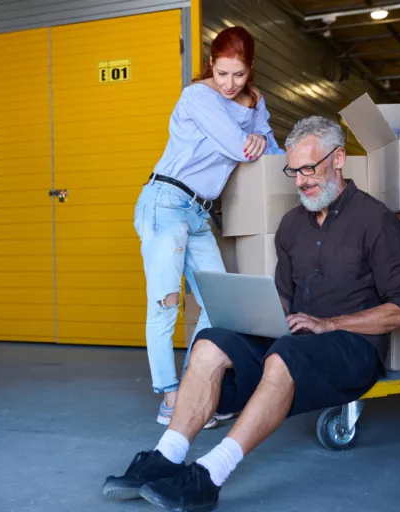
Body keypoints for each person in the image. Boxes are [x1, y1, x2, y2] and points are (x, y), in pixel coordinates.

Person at [104, 116, 400, 509]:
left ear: (338, 158)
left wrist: (329, 324)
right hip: (294, 338)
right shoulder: (291, 226)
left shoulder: (376, 221)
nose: (301, 180)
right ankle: (166, 456)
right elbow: (285, 298)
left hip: (351, 348)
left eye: (310, 168)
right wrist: (254, 316)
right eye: (293, 171)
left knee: (284, 355)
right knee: (210, 342)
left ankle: (209, 476)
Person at [133, 26, 285, 428]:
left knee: (221, 306)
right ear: (211, 68)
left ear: (250, 70)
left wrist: (260, 137)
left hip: (199, 214)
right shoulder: (197, 96)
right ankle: (170, 399)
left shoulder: (256, 103)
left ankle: (191, 389)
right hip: (165, 203)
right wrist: (250, 138)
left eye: (237, 75)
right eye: (221, 73)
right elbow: (236, 146)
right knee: (165, 304)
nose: (229, 84)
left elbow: (272, 154)